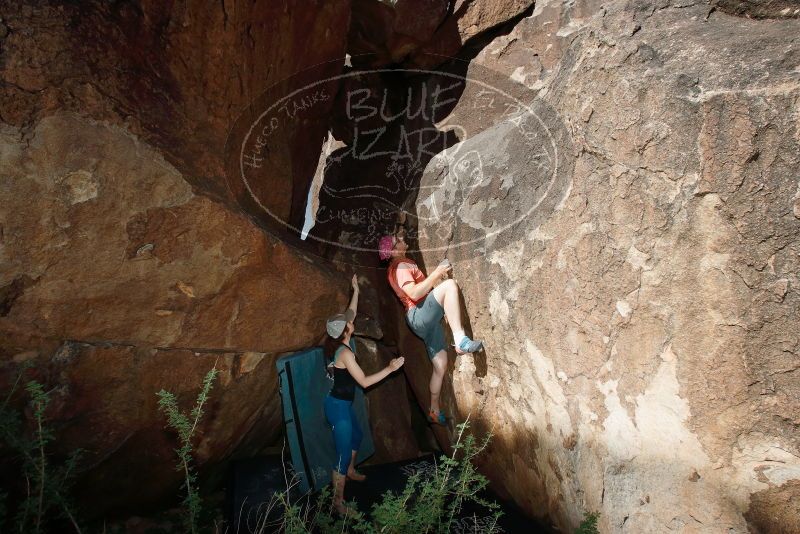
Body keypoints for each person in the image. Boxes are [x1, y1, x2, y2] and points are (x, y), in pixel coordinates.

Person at [378, 232, 483, 426]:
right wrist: (437, 273)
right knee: (449, 285)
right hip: (418, 314)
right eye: (397, 240)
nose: (402, 239)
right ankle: (460, 340)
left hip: (424, 322)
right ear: (393, 251)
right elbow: (414, 292)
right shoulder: (400, 266)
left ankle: (434, 410)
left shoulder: (398, 266)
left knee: (440, 366)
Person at [323, 274, 405, 515]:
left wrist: (355, 290)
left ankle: (349, 471)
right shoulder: (344, 354)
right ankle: (337, 503)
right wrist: (389, 369)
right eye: (348, 322)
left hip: (342, 404)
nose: (351, 320)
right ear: (346, 331)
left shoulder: (339, 337)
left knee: (356, 437)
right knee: (342, 452)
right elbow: (365, 382)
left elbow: (351, 312)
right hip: (337, 407)